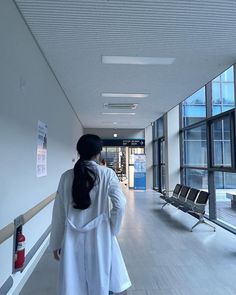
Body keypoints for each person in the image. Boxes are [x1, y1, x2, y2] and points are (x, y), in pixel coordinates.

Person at [50, 134, 131, 295]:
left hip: (72, 239)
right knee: (100, 280)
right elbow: (120, 205)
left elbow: (58, 212)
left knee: (73, 284)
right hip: (100, 238)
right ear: (98, 153)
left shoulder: (66, 176)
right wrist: (112, 229)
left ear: (79, 152)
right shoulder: (107, 173)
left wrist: (56, 243)